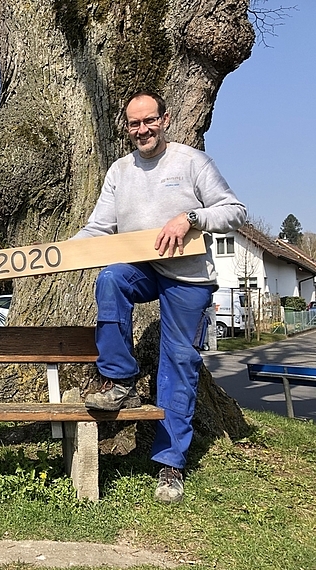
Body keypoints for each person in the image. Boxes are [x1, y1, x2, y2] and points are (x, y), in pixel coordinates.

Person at [72, 91, 246, 503]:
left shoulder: (191, 162)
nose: (142, 130)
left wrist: (190, 218)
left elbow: (235, 211)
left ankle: (170, 465)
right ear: (127, 127)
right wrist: (62, 252)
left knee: (179, 363)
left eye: (149, 121)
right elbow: (99, 227)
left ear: (165, 119)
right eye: (134, 124)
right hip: (143, 268)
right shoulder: (119, 171)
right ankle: (119, 379)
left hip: (187, 279)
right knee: (111, 279)